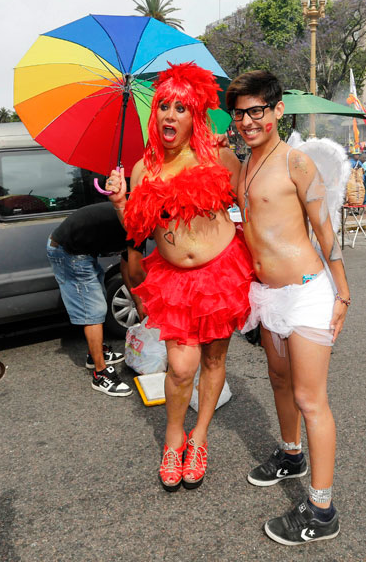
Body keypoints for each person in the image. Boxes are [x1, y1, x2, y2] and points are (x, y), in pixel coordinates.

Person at [106, 62, 254, 492]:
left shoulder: (220, 158)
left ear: (196, 116)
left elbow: (255, 204)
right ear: (155, 115)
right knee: (181, 367)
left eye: (181, 108)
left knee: (214, 360)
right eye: (164, 106)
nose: (170, 115)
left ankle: (200, 437)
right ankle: (174, 439)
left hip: (221, 273)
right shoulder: (142, 169)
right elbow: (137, 231)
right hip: (174, 280)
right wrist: (120, 202)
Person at [225, 70, 350, 546]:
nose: (248, 120)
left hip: (307, 293)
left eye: (257, 110)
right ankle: (291, 453)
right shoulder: (246, 163)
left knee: (309, 398)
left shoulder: (295, 162)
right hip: (268, 296)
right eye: (240, 112)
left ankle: (322, 510)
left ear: (278, 111)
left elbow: (324, 229)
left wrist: (342, 293)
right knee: (278, 380)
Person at [46, 202, 133, 397]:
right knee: (93, 310)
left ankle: (96, 354)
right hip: (68, 252)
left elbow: (127, 269)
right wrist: (142, 304)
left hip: (82, 252)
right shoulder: (135, 222)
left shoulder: (137, 222)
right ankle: (100, 373)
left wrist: (137, 301)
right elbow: (134, 271)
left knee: (98, 299)